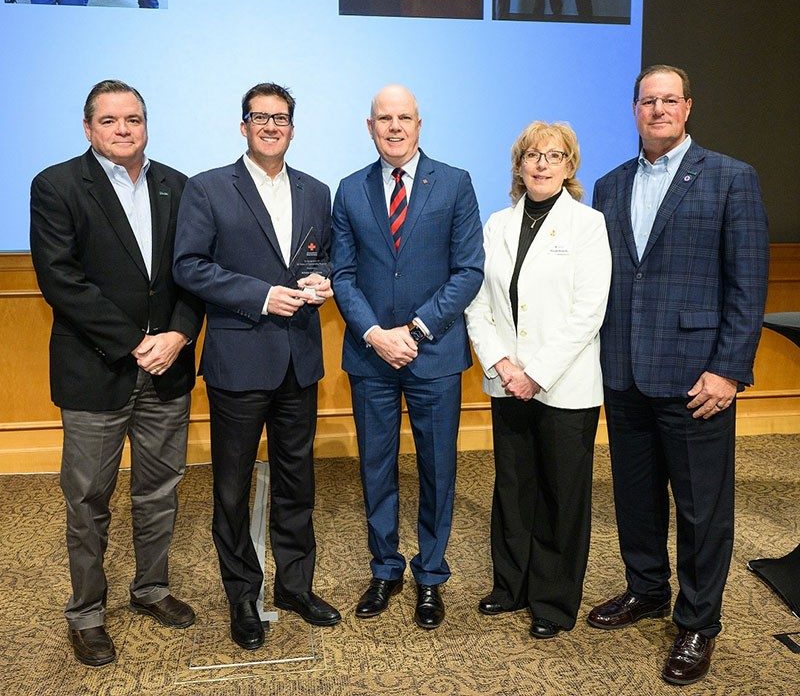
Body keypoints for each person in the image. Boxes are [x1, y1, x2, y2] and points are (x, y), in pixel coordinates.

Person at [589, 65, 770, 685]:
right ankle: (646, 589)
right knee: (636, 498)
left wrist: (729, 370)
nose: (658, 109)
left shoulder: (730, 178)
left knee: (701, 510)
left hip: (698, 379)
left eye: (670, 100)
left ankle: (698, 622)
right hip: (626, 373)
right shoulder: (609, 186)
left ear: (688, 107)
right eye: (648, 100)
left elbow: (749, 286)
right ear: (633, 108)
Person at [29, 80, 204, 667]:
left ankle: (151, 589)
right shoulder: (56, 186)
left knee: (158, 492)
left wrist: (178, 335)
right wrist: (135, 343)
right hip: (95, 372)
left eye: (133, 119)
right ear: (88, 129)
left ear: (146, 124)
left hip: (167, 371)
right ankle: (86, 615)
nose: (123, 130)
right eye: (109, 121)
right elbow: (61, 281)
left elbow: (194, 274)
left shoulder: (177, 186)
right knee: (88, 499)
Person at [173, 83, 341, 651]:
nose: (271, 125)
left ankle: (295, 586)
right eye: (260, 116)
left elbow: (328, 257)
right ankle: (243, 594)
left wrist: (326, 280)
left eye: (281, 117)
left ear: (293, 128)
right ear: (242, 125)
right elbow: (190, 267)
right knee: (232, 488)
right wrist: (263, 294)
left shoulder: (317, 192)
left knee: (298, 482)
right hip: (239, 361)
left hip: (299, 361)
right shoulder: (208, 188)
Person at [331, 84, 484, 630]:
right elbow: (342, 275)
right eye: (383, 118)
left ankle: (431, 575)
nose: (394, 127)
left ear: (420, 124)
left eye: (404, 118)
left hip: (434, 355)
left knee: (437, 470)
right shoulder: (349, 190)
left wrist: (415, 331)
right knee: (376, 468)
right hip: (371, 355)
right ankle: (385, 567)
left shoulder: (456, 183)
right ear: (369, 126)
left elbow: (469, 271)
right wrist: (375, 332)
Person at [465, 121, 610, 639]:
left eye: (554, 155)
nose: (542, 164)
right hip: (508, 381)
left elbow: (588, 313)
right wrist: (503, 365)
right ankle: (511, 586)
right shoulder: (496, 224)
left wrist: (537, 374)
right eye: (532, 155)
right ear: (519, 165)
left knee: (560, 493)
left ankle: (552, 600)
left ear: (570, 166)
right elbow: (478, 304)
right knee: (514, 487)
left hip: (564, 385)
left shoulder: (588, 225)